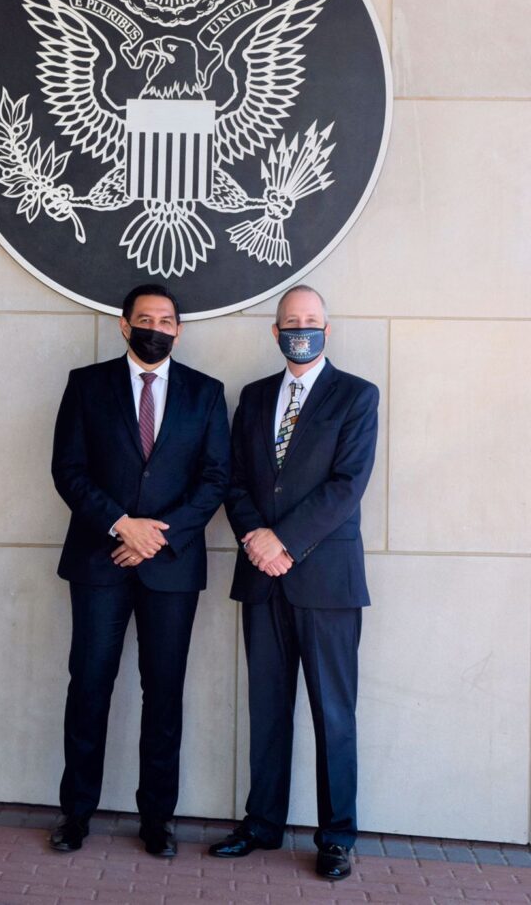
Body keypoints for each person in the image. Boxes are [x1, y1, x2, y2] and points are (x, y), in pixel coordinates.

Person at [50, 284, 230, 858]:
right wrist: (120, 524)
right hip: (98, 560)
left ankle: (158, 819)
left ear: (179, 330)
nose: (157, 328)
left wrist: (155, 537)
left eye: (166, 320)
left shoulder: (206, 393)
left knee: (165, 693)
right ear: (125, 325)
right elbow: (68, 469)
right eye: (145, 319)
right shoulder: (86, 385)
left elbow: (215, 479)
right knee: (89, 686)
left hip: (170, 567)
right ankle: (76, 813)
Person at [209, 284, 378, 881]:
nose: (299, 328)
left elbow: (347, 485)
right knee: (267, 709)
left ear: (326, 330)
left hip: (326, 581)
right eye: (290, 320)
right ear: (275, 330)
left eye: (310, 320)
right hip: (262, 579)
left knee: (334, 713)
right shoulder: (253, 397)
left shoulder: (356, 396)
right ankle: (261, 824)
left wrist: (282, 541)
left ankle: (336, 837)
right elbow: (233, 481)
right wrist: (256, 539)